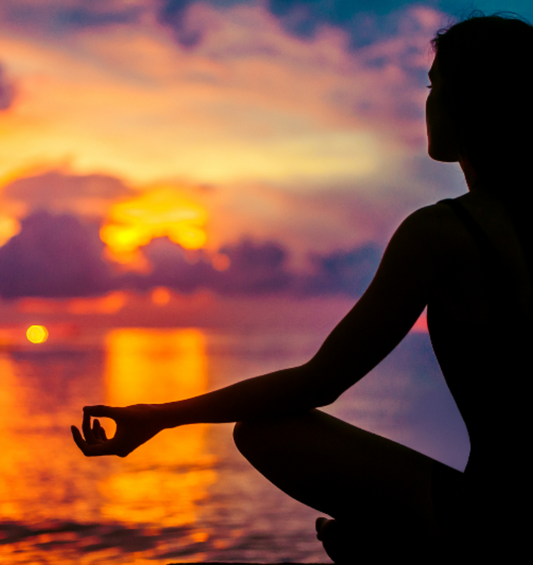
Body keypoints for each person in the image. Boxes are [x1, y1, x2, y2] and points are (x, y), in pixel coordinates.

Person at [72, 12, 533, 562]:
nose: (427, 102)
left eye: (435, 86)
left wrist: (160, 415)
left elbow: (319, 382)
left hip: (498, 520)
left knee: (264, 432)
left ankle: (408, 548)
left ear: (474, 99)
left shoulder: (445, 232)